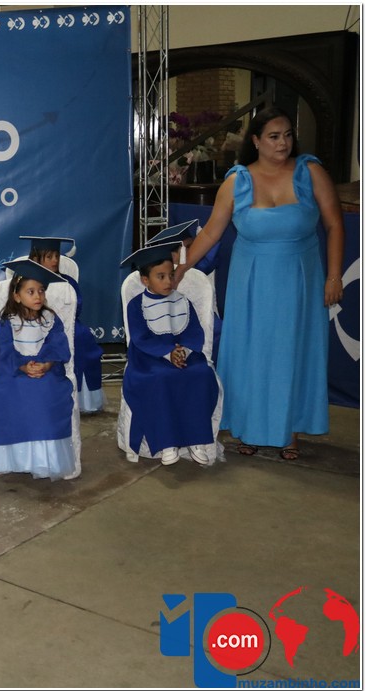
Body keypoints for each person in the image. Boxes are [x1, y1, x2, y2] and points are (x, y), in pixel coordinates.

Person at [175, 106, 344, 460]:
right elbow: (211, 233)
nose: (283, 143)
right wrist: (182, 267)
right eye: (274, 136)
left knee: (292, 354)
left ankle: (289, 431)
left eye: (287, 135)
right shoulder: (236, 181)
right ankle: (247, 426)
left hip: (300, 281)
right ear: (255, 141)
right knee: (250, 354)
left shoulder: (311, 172)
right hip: (250, 283)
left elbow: (334, 225)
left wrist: (333, 276)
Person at [121, 243, 220, 465]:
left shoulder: (182, 301)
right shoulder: (136, 305)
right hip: (149, 359)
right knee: (160, 378)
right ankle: (167, 443)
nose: (168, 281)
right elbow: (140, 338)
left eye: (171, 275)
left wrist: (183, 351)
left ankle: (196, 440)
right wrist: (167, 353)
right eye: (161, 277)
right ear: (145, 280)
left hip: (185, 355)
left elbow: (194, 331)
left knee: (201, 374)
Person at [0, 259, 76, 480]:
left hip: (46, 368)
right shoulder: (8, 321)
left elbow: (58, 345)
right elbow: (2, 349)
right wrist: (23, 365)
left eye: (41, 290)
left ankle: (44, 459)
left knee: (47, 392)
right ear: (17, 296)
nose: (38, 296)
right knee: (9, 392)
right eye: (30, 291)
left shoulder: (50, 319)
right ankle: (13, 459)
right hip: (13, 369)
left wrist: (47, 364)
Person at [23, 235, 104, 414]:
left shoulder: (68, 281)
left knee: (82, 337)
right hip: (37, 326)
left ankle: (83, 399)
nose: (55, 261)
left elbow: (77, 306)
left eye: (56, 256)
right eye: (49, 257)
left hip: (70, 325)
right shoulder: (28, 282)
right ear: (35, 258)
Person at [148, 220, 223, 359]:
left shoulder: (197, 269)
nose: (195, 251)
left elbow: (210, 258)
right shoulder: (162, 280)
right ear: (174, 255)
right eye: (189, 247)